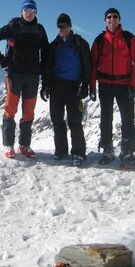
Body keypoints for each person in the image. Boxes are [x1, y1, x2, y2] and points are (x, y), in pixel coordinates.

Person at [0, 0, 49, 159]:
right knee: (10, 109)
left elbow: (47, 51)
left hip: (32, 77)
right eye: (26, 10)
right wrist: (2, 60)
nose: (29, 13)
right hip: (14, 74)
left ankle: (24, 145)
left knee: (28, 112)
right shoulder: (14, 27)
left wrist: (42, 67)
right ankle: (8, 145)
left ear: (36, 13)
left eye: (32, 11)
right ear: (21, 12)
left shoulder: (40, 29)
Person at [89, 7, 135, 169]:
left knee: (127, 119)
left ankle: (127, 152)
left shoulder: (129, 38)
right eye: (109, 17)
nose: (112, 19)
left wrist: (134, 85)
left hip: (124, 85)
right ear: (105, 20)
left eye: (115, 17)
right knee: (105, 119)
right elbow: (93, 64)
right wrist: (92, 85)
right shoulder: (100, 40)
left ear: (119, 19)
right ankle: (108, 150)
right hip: (105, 85)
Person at [41, 13, 91, 166]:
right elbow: (47, 67)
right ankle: (61, 151)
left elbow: (87, 65)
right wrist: (45, 85)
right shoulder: (53, 45)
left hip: (73, 86)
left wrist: (85, 85)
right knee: (57, 120)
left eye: (65, 26)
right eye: (59, 26)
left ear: (70, 26)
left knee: (74, 121)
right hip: (56, 86)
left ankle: (78, 153)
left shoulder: (80, 43)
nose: (62, 29)